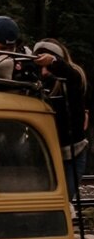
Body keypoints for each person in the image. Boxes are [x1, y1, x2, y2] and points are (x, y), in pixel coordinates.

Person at [32, 38, 89, 202]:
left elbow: (71, 75)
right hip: (46, 154)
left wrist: (53, 62)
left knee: (63, 200)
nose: (44, 72)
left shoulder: (73, 78)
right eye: (40, 67)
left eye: (47, 68)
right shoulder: (36, 84)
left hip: (72, 152)